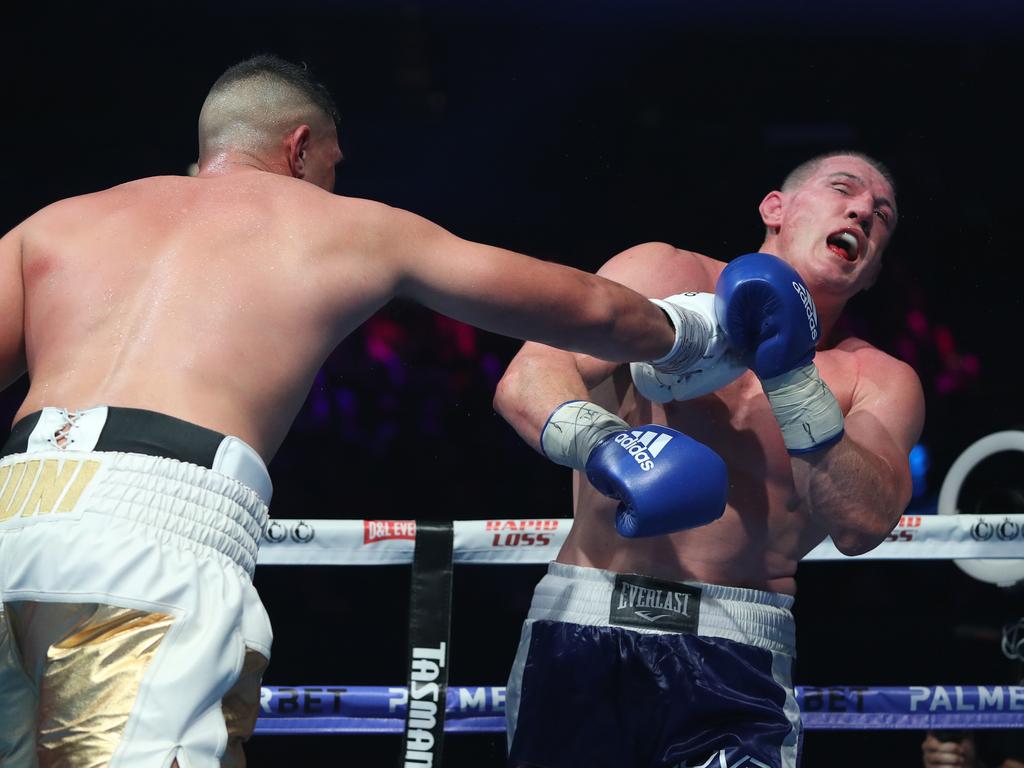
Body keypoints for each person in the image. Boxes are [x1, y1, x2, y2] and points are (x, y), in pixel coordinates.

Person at [0, 54, 728, 767]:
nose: (333, 182)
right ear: (299, 148)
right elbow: (586, 306)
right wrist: (695, 329)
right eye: (332, 166)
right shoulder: (342, 226)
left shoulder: (55, 225)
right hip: (150, 543)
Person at [494, 151, 927, 767]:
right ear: (775, 209)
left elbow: (862, 523)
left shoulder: (875, 379)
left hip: (736, 647)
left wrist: (792, 377)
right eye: (843, 190)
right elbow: (531, 376)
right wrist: (606, 444)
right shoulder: (664, 272)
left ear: (873, 271)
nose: (862, 210)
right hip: (584, 617)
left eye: (881, 216)